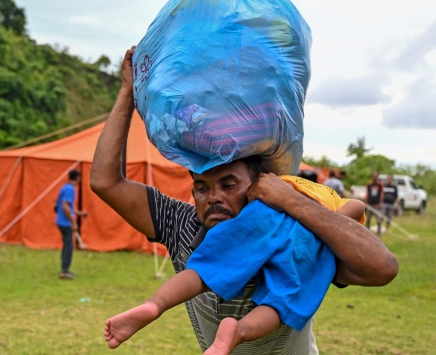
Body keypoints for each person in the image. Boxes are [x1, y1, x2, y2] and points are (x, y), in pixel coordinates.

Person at [91, 47, 398, 353]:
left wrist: (292, 202)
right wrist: (127, 94)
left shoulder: (300, 230)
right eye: (201, 187)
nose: (214, 197)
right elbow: (106, 182)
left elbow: (383, 268)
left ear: (259, 186)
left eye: (229, 184)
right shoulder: (181, 225)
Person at [104, 172, 365, 353]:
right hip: (309, 236)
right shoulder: (332, 198)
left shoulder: (279, 181)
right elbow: (356, 208)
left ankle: (154, 305)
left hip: (265, 213)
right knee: (281, 305)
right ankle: (238, 331)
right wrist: (324, 219)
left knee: (204, 271)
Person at [55, 169, 88, 280]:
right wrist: (73, 222)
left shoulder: (64, 187)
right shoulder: (71, 189)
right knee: (69, 246)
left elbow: (61, 206)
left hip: (60, 221)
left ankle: (64, 268)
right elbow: (65, 206)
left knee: (66, 245)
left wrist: (80, 213)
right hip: (65, 223)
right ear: (78, 178)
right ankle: (64, 271)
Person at [365, 171, 385, 237]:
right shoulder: (369, 184)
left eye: (376, 176)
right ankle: (367, 232)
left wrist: (380, 203)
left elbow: (382, 194)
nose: (375, 177)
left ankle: (379, 232)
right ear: (372, 176)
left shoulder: (380, 185)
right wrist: (366, 202)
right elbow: (367, 193)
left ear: (377, 176)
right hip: (370, 204)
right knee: (368, 219)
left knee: (378, 219)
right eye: (374, 176)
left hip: (377, 204)